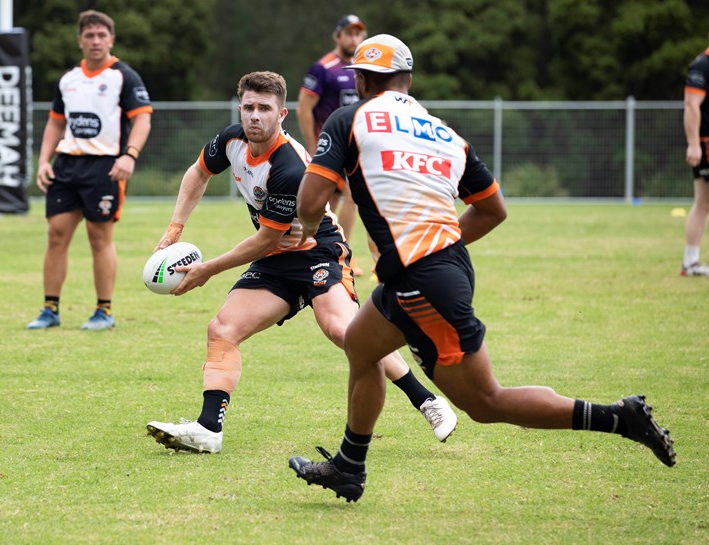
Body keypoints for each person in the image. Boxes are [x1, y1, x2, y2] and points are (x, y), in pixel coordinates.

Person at [288, 34, 676, 502]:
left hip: (422, 279)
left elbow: (311, 200)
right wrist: (439, 243)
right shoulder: (446, 135)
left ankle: (619, 418)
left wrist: (308, 230)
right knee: (360, 344)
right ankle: (349, 467)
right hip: (438, 269)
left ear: (363, 80)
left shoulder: (349, 118)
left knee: (485, 402)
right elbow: (494, 209)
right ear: (408, 81)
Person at [145, 71, 456, 454]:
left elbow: (266, 238)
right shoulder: (231, 140)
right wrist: (176, 226)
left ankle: (428, 402)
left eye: (264, 109)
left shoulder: (289, 166)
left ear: (282, 114)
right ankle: (209, 429)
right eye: (248, 107)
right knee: (222, 329)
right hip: (275, 260)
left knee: (345, 333)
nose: (254, 116)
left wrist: (208, 269)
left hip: (317, 252)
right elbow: (198, 173)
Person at [27, 10, 152, 330]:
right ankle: (49, 309)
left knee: (99, 238)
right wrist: (44, 161)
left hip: (105, 167)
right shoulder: (69, 79)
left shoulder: (124, 76)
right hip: (67, 165)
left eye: (101, 35)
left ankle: (104, 311)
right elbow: (55, 124)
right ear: (80, 40)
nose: (95, 41)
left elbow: (142, 119)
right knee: (56, 236)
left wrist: (130, 156)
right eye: (89, 35)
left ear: (111, 39)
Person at [297, 15, 367, 275]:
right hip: (331, 148)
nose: (354, 39)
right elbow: (304, 109)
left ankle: (338, 251)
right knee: (329, 201)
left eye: (359, 34)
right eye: (349, 33)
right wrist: (315, 147)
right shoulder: (324, 67)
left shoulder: (363, 68)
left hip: (355, 148)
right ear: (337, 36)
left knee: (348, 196)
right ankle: (330, 250)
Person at [682, 39, 709, 277]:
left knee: (703, 202)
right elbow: (691, 106)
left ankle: (691, 261)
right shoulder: (702, 66)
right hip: (707, 142)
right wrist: (693, 144)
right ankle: (690, 262)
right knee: (703, 201)